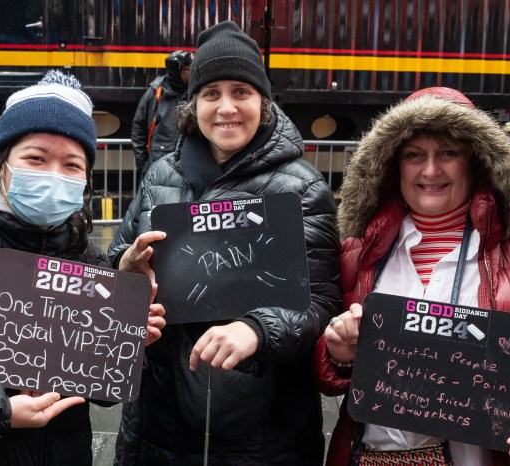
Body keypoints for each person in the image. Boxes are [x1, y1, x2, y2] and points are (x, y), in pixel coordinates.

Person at [313, 86, 510, 465]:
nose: (430, 170)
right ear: (392, 164)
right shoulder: (357, 252)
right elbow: (322, 358)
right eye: (414, 155)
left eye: (448, 153)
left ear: (476, 160)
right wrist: (337, 353)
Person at [0, 70, 165, 465]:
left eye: (72, 165)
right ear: (0, 162)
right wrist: (0, 413)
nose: (53, 176)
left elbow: (100, 392)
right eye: (36, 158)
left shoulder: (85, 258)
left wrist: (121, 346)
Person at [108, 20, 341, 466]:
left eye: (241, 91)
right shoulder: (161, 176)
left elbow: (321, 304)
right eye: (211, 94)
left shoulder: (302, 188)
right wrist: (126, 271)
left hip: (265, 431)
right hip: (160, 417)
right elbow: (114, 262)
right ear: (193, 104)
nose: (226, 107)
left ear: (263, 102)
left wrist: (256, 329)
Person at [131, 49, 193, 178]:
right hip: (157, 164)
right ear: (177, 71)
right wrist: (144, 164)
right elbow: (138, 129)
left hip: (187, 164)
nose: (192, 73)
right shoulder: (156, 93)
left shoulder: (194, 92)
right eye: (188, 70)